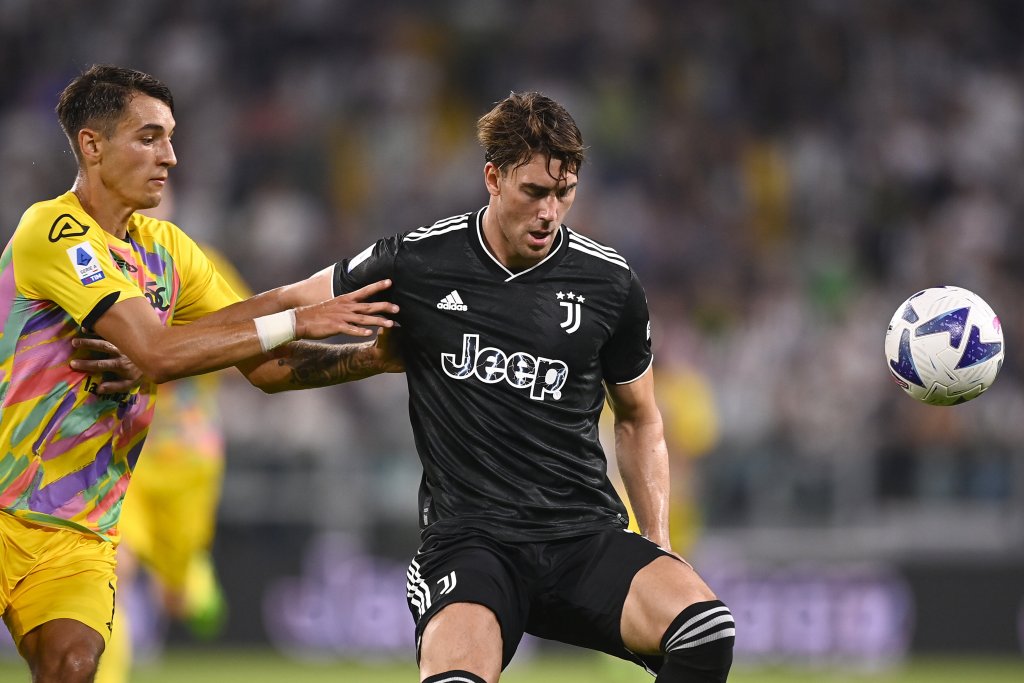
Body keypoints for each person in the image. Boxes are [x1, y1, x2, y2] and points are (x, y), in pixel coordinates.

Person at [260, 91, 736, 682]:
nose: (549, 212)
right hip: (471, 544)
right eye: (534, 191)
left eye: (564, 193)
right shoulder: (417, 262)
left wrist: (657, 539)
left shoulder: (610, 284)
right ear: (493, 177)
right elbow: (281, 315)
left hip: (581, 536)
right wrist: (188, 340)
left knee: (706, 631)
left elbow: (639, 418)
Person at [0, 64, 399, 683]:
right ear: (92, 145)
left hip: (75, 528)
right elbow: (154, 352)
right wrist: (298, 319)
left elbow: (266, 362)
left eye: (170, 138)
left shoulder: (169, 252)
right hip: (4, 499)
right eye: (149, 138)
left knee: (73, 664)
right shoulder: (54, 229)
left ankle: (184, 572)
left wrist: (374, 355)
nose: (171, 156)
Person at [94, 237, 252, 683]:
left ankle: (188, 579)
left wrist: (174, 352)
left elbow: (249, 345)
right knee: (112, 568)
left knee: (180, 599)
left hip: (188, 456)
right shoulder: (92, 262)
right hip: (123, 453)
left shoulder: (199, 263)